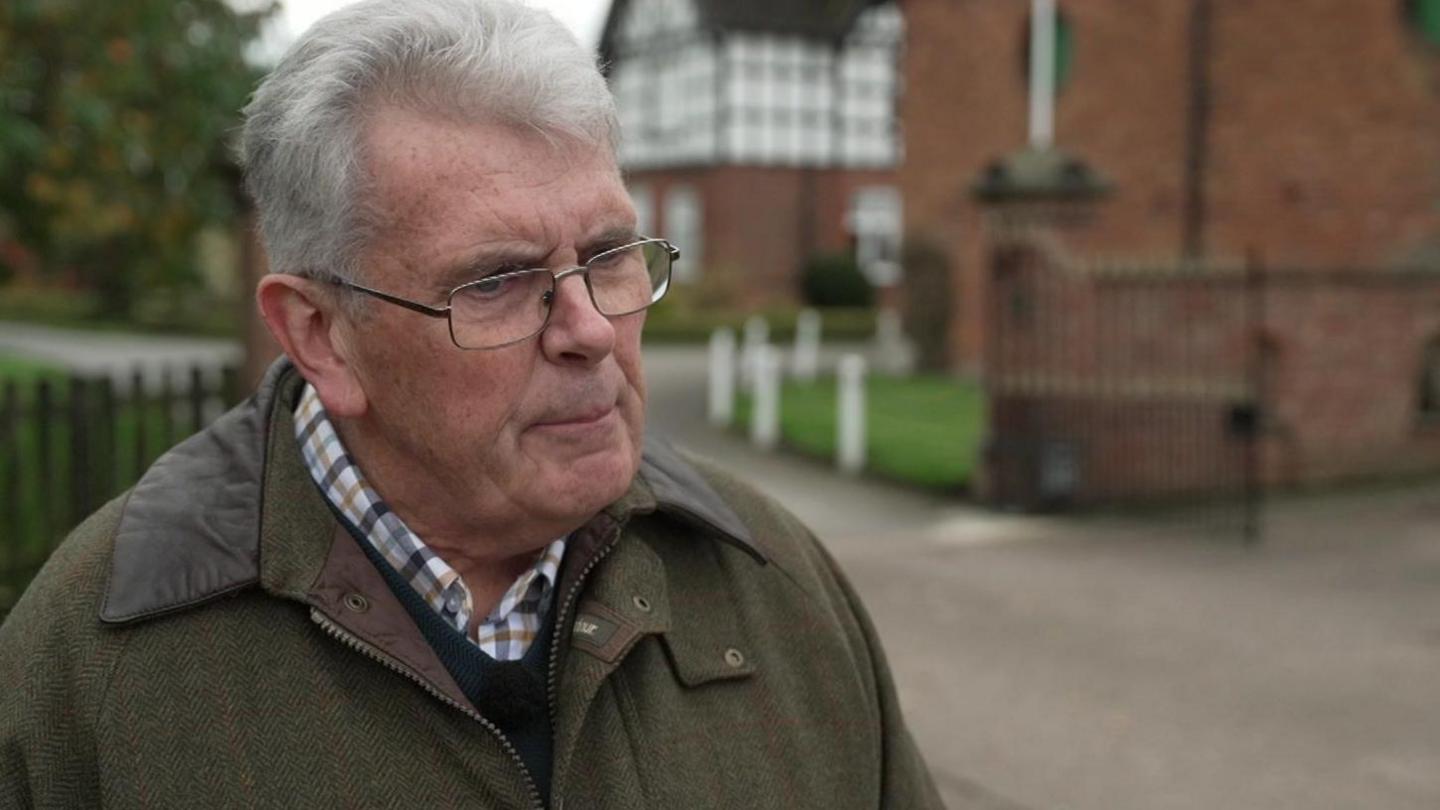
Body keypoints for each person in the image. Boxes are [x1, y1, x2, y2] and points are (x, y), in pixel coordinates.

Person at [0, 1, 943, 806]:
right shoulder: (90, 671)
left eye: (611, 256)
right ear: (321, 335)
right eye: (496, 281)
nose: (588, 329)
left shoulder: (777, 583)